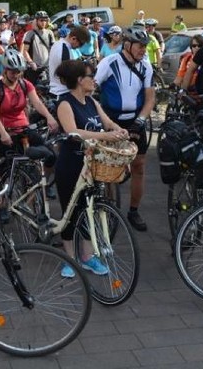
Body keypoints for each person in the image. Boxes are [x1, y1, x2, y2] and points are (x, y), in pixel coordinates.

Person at [55, 59, 130, 277]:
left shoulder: (91, 101)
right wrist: (105, 136)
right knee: (70, 210)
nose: (95, 80)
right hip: (71, 165)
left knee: (90, 210)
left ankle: (87, 257)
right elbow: (72, 132)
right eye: (91, 76)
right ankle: (69, 258)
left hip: (93, 165)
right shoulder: (65, 103)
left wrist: (118, 130)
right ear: (80, 80)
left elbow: (107, 122)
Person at [94, 27, 156, 231]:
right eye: (140, 46)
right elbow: (91, 87)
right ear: (127, 45)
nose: (143, 50)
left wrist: (141, 119)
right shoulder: (109, 62)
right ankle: (110, 208)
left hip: (135, 120)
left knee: (139, 166)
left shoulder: (146, 66)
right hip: (111, 120)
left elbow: (150, 99)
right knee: (110, 167)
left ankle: (133, 211)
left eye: (145, 46)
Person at [0, 50, 58, 192]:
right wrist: (2, 133)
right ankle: (1, 200)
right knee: (5, 169)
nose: (16, 75)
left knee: (51, 155)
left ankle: (43, 182)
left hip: (24, 128)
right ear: (5, 70)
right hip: (5, 131)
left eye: (19, 72)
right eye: (13, 72)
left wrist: (49, 117)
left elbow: (37, 104)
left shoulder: (25, 84)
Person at [48, 25, 90, 99]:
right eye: (80, 44)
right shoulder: (64, 49)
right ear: (73, 38)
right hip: (62, 92)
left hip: (56, 90)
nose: (79, 47)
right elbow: (66, 74)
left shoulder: (57, 44)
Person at [20, 11, 56, 84]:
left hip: (46, 67)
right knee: (31, 89)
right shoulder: (30, 34)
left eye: (45, 20)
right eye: (41, 20)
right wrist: (31, 62)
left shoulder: (50, 33)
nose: (43, 22)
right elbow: (25, 51)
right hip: (34, 67)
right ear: (36, 21)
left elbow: (53, 49)